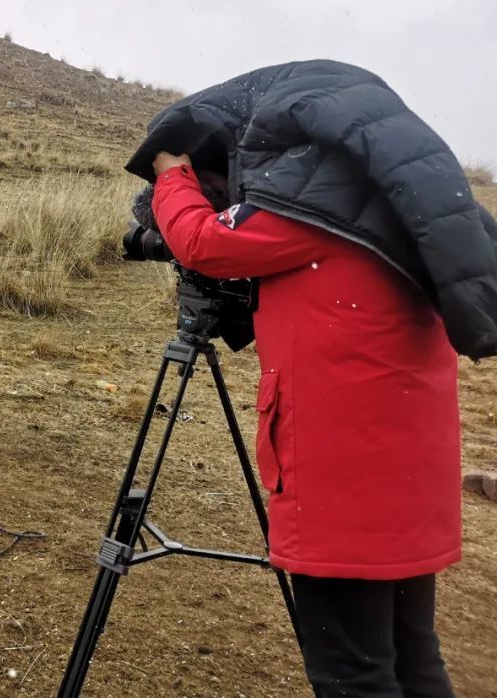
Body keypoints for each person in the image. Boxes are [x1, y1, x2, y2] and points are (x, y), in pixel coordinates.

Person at [151, 149, 461, 697]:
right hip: (410, 475)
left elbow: (202, 241)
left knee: (353, 674)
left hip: (341, 481)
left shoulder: (314, 205)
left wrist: (171, 174)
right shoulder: (412, 209)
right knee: (412, 657)